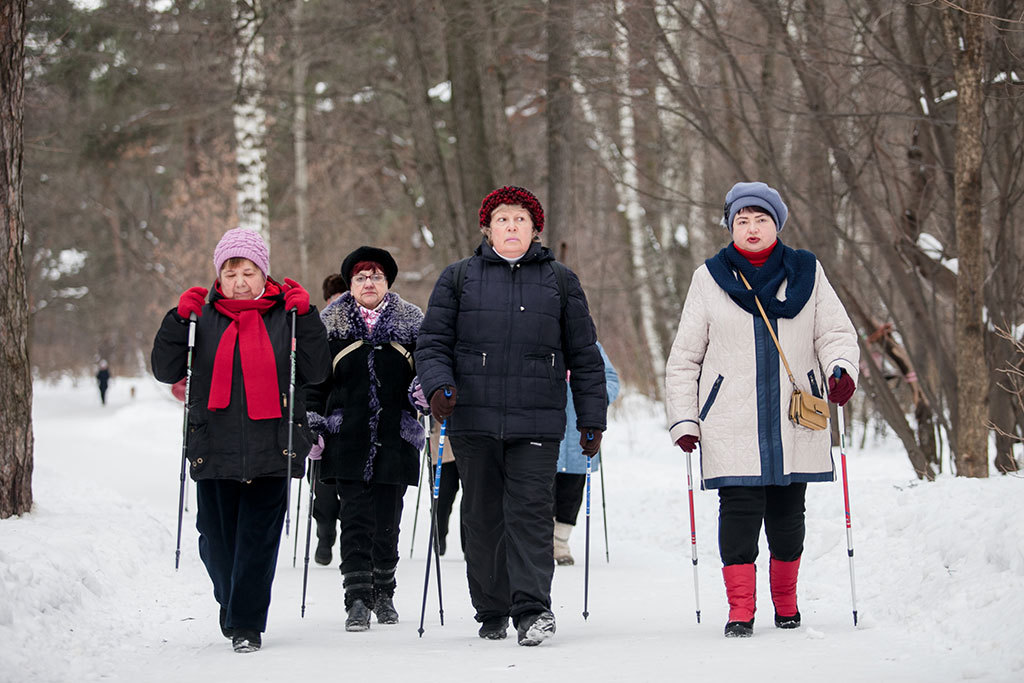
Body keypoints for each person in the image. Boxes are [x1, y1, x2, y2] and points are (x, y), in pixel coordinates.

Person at [665, 181, 859, 638]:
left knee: (789, 516)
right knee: (739, 516)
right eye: (742, 221)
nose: (751, 228)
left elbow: (834, 333)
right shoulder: (709, 278)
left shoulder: (807, 272)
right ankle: (740, 609)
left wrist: (840, 368)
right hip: (731, 420)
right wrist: (685, 419)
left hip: (795, 420)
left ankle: (787, 603)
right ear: (731, 226)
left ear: (777, 224)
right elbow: (685, 357)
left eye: (761, 219)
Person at [415, 185, 607, 646]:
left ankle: (532, 610)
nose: (512, 226)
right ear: (488, 228)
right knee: (482, 518)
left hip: (537, 422)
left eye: (520, 219)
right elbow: (433, 342)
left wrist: (591, 418)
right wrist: (438, 385)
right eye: (503, 219)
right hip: (473, 420)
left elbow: (584, 355)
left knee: (530, 515)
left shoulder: (561, 281)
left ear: (535, 228)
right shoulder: (458, 278)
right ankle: (491, 608)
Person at [151, 227, 330, 653]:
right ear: (219, 276)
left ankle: (247, 623)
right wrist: (178, 320)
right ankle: (231, 602)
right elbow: (164, 368)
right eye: (231, 272)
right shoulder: (201, 317)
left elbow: (317, 370)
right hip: (214, 446)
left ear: (263, 274)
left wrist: (306, 318)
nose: (240, 281)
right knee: (216, 540)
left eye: (249, 271)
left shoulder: (285, 315)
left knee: (258, 540)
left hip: (273, 445)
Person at [305, 246, 425, 632]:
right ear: (350, 284)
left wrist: (424, 391)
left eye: (375, 276)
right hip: (347, 438)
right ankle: (356, 598)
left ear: (387, 282)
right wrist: (313, 424)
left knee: (388, 522)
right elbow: (315, 384)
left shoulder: (411, 324)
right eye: (360, 277)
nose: (368, 283)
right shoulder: (331, 324)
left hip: (395, 438)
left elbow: (427, 370)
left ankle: (384, 592)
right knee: (354, 519)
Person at [553, 342, 619, 565]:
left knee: (572, 493)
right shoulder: (542, 334)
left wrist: (598, 398)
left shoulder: (592, 345)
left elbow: (611, 379)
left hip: (580, 433)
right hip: (547, 431)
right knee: (540, 493)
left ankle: (560, 542)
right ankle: (541, 543)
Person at [310, 273, 347, 566]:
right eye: (333, 298)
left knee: (350, 497)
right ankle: (325, 532)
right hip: (322, 423)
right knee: (323, 496)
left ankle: (351, 542)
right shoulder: (318, 330)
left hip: (349, 423)